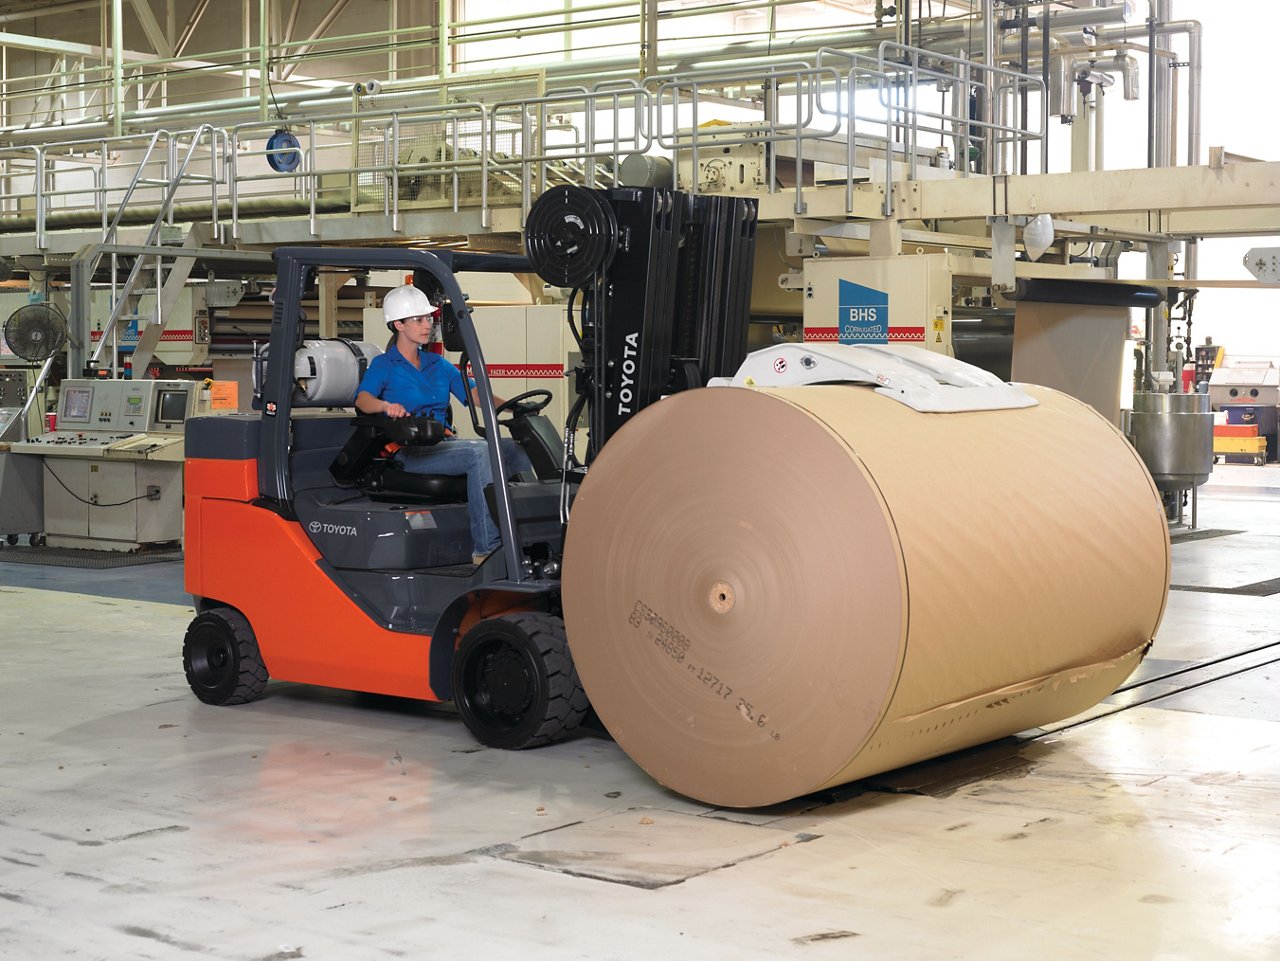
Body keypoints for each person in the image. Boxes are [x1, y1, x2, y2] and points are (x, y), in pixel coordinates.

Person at [354, 284, 531, 565]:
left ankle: (529, 536)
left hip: (444, 444)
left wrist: (517, 407)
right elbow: (363, 400)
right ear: (398, 324)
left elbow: (475, 395)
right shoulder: (384, 365)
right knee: (479, 452)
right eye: (420, 320)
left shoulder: (438, 364)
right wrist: (385, 406)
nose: (428, 325)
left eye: (430, 319)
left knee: (513, 448)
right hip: (411, 451)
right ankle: (487, 549)